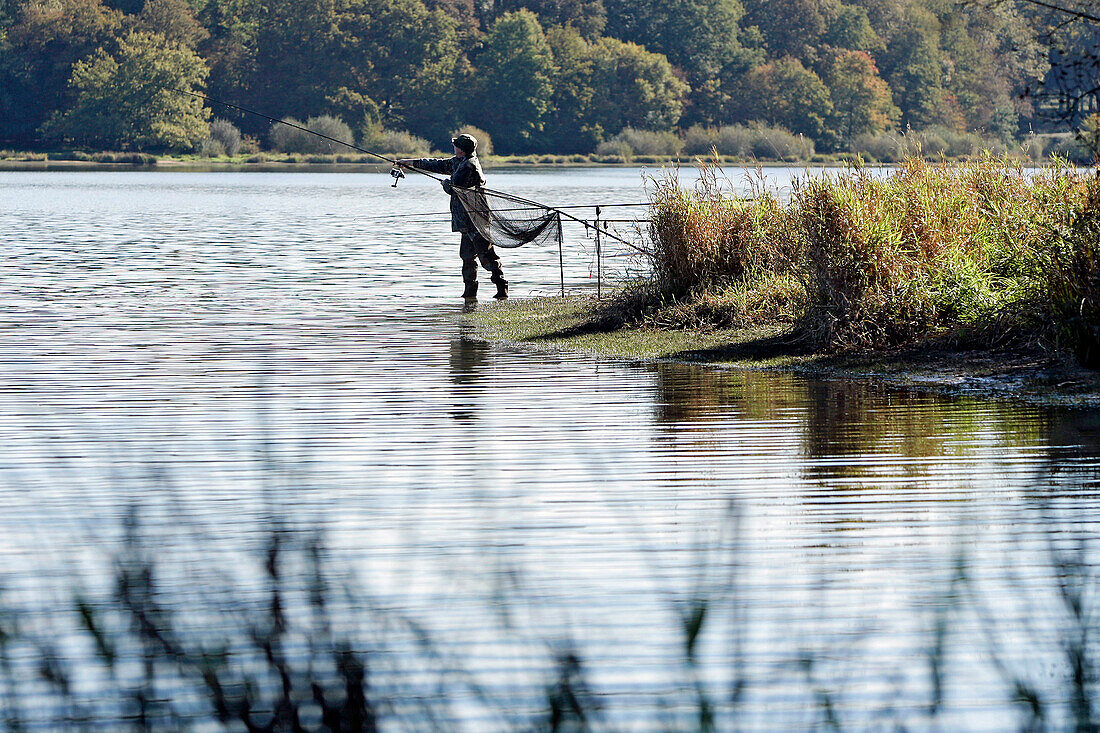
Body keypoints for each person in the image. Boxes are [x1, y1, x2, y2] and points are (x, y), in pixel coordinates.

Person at [398, 133, 508, 300]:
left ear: (462, 150)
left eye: (456, 145)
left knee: (486, 256)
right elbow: (437, 165)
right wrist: (408, 162)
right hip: (465, 221)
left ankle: (502, 287)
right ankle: (470, 294)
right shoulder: (460, 161)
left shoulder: (469, 165)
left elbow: (453, 187)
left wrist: (445, 184)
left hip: (477, 220)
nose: (454, 147)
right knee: (467, 257)